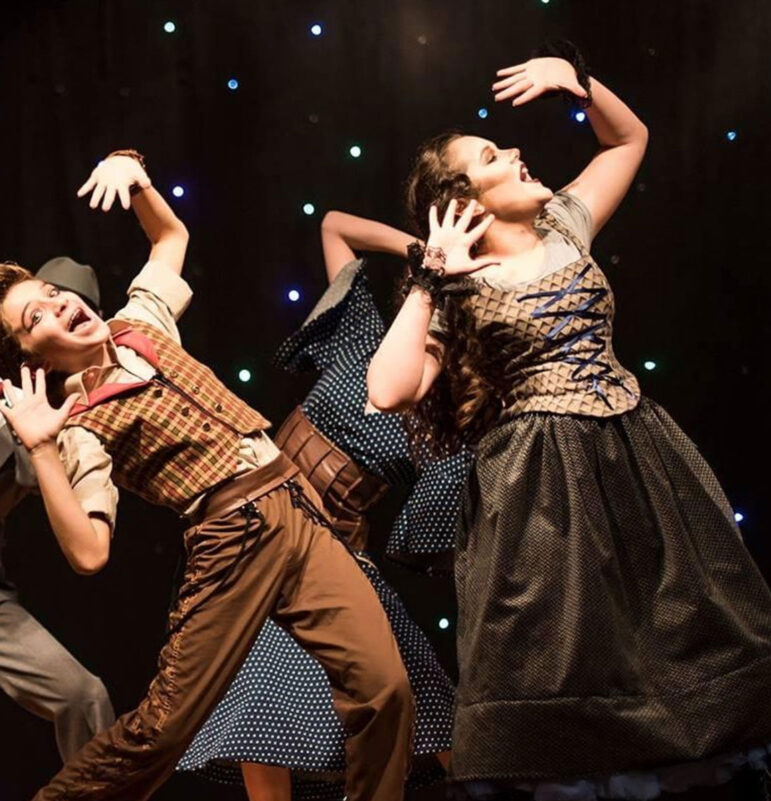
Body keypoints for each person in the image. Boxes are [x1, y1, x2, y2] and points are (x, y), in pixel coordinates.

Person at [367, 52, 771, 800]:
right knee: (562, 645)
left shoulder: (566, 225)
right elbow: (388, 389)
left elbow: (626, 140)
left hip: (639, 449)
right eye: (492, 157)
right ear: (463, 200)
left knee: (687, 619)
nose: (516, 152)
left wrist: (578, 82)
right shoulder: (454, 287)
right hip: (540, 481)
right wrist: (430, 277)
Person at [0, 150, 413, 801]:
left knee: (384, 689)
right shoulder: (76, 422)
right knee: (159, 732)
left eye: (52, 294)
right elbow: (88, 551)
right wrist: (43, 448)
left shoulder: (138, 323)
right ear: (31, 356)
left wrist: (132, 172)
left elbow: (170, 236)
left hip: (296, 512)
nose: (57, 306)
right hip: (231, 540)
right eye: (36, 317)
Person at [178, 211, 472, 799]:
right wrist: (424, 255)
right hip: (259, 533)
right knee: (257, 699)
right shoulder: (362, 337)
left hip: (333, 554)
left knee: (418, 702)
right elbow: (336, 226)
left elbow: (439, 529)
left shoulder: (444, 432)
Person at [0, 257, 114, 766]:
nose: (63, 308)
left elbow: (90, 552)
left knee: (83, 696)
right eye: (39, 313)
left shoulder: (73, 430)